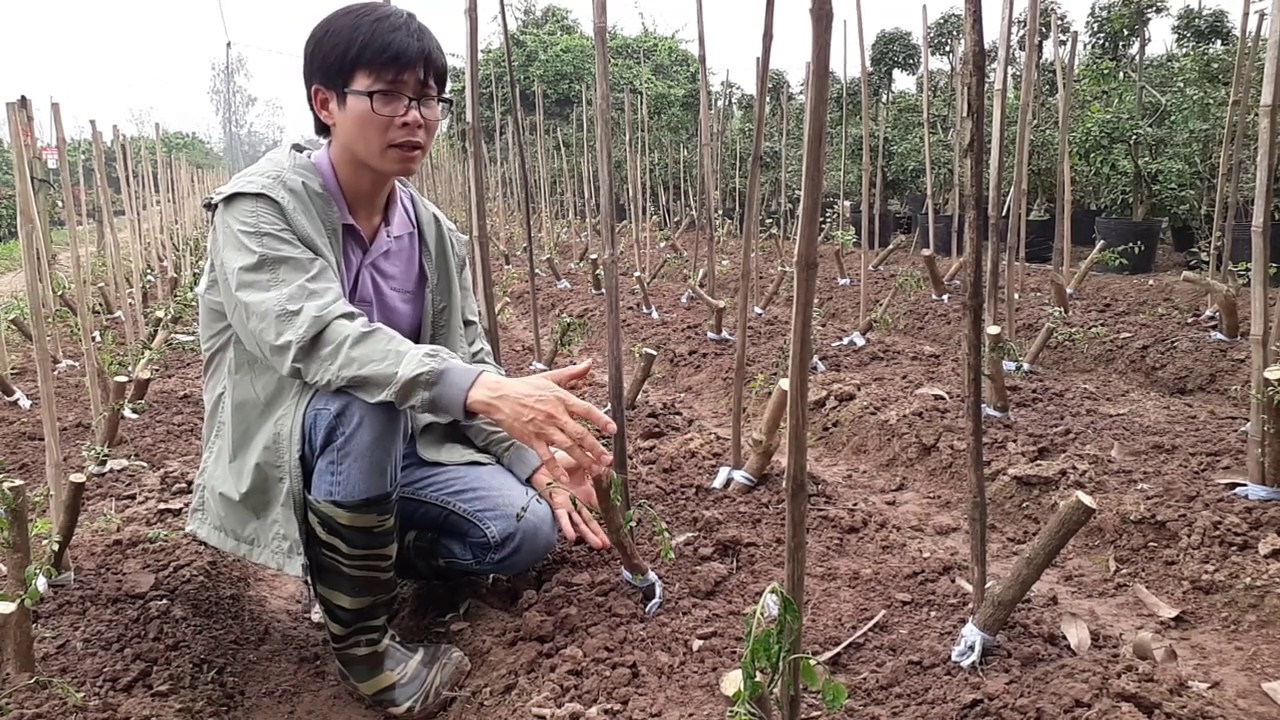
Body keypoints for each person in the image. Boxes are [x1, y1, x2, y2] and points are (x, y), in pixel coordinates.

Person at [185, 3, 617, 717]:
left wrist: (534, 459)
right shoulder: (259, 209)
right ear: (326, 102)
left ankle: (359, 557)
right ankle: (366, 649)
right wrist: (483, 388)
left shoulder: (434, 233)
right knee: (365, 396)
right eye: (387, 94)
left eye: (427, 97)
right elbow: (320, 338)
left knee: (528, 529)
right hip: (297, 448)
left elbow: (467, 355)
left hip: (408, 448)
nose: (413, 116)